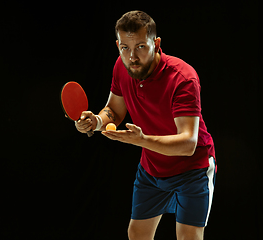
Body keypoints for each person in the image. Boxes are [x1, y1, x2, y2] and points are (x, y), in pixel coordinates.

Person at [74, 10, 216, 240]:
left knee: (188, 236)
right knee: (137, 233)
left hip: (193, 169)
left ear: (156, 43)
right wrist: (96, 121)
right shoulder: (122, 67)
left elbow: (188, 143)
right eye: (125, 48)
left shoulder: (182, 78)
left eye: (140, 46)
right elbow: (114, 111)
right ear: (118, 45)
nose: (132, 57)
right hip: (152, 169)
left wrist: (142, 141)